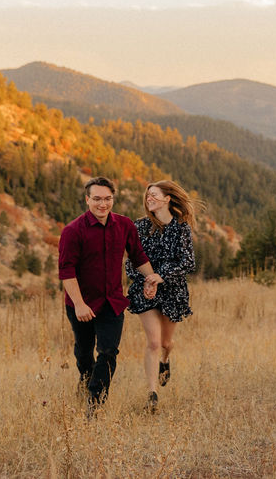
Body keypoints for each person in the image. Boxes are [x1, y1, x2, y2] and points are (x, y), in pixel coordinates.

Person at [58, 176, 163, 417]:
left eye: (107, 199)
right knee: (84, 353)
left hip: (112, 303)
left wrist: (151, 279)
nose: (102, 204)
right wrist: (80, 304)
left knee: (108, 352)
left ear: (113, 199)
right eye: (97, 199)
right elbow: (66, 272)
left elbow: (138, 257)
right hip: (81, 304)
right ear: (87, 200)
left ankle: (94, 405)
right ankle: (85, 380)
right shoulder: (72, 231)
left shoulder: (125, 226)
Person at [125, 180, 204, 413]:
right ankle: (152, 394)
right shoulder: (139, 227)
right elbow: (131, 263)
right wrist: (147, 281)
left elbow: (188, 262)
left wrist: (161, 277)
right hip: (145, 290)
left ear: (168, 199)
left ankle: (165, 361)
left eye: (154, 195)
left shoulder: (181, 228)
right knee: (153, 342)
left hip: (173, 290)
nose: (149, 198)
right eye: (147, 195)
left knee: (166, 343)